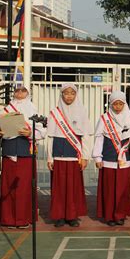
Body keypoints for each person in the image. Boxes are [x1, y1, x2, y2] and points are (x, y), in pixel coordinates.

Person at [0, 86, 46, 229]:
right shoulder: (6, 110)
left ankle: (23, 219)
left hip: (26, 152)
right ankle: (9, 219)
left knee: (24, 187)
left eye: (23, 91)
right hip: (9, 151)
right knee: (8, 187)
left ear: (28, 93)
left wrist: (29, 133)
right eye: (17, 91)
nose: (20, 93)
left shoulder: (33, 110)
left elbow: (42, 131)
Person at [46, 83, 93, 227]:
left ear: (76, 95)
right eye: (66, 93)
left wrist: (85, 156)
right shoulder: (55, 112)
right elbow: (50, 136)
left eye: (72, 93)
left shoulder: (82, 111)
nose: (69, 96)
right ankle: (59, 216)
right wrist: (49, 157)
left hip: (75, 156)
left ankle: (72, 216)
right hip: (58, 155)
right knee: (58, 188)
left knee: (74, 188)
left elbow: (86, 135)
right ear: (61, 95)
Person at [93, 91, 130, 226]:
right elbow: (99, 138)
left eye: (121, 104)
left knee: (122, 190)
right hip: (108, 161)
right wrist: (97, 157)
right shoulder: (104, 119)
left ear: (124, 104)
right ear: (111, 104)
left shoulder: (129, 118)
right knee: (109, 191)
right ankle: (109, 216)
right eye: (115, 104)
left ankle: (120, 215)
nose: (118, 107)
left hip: (124, 161)